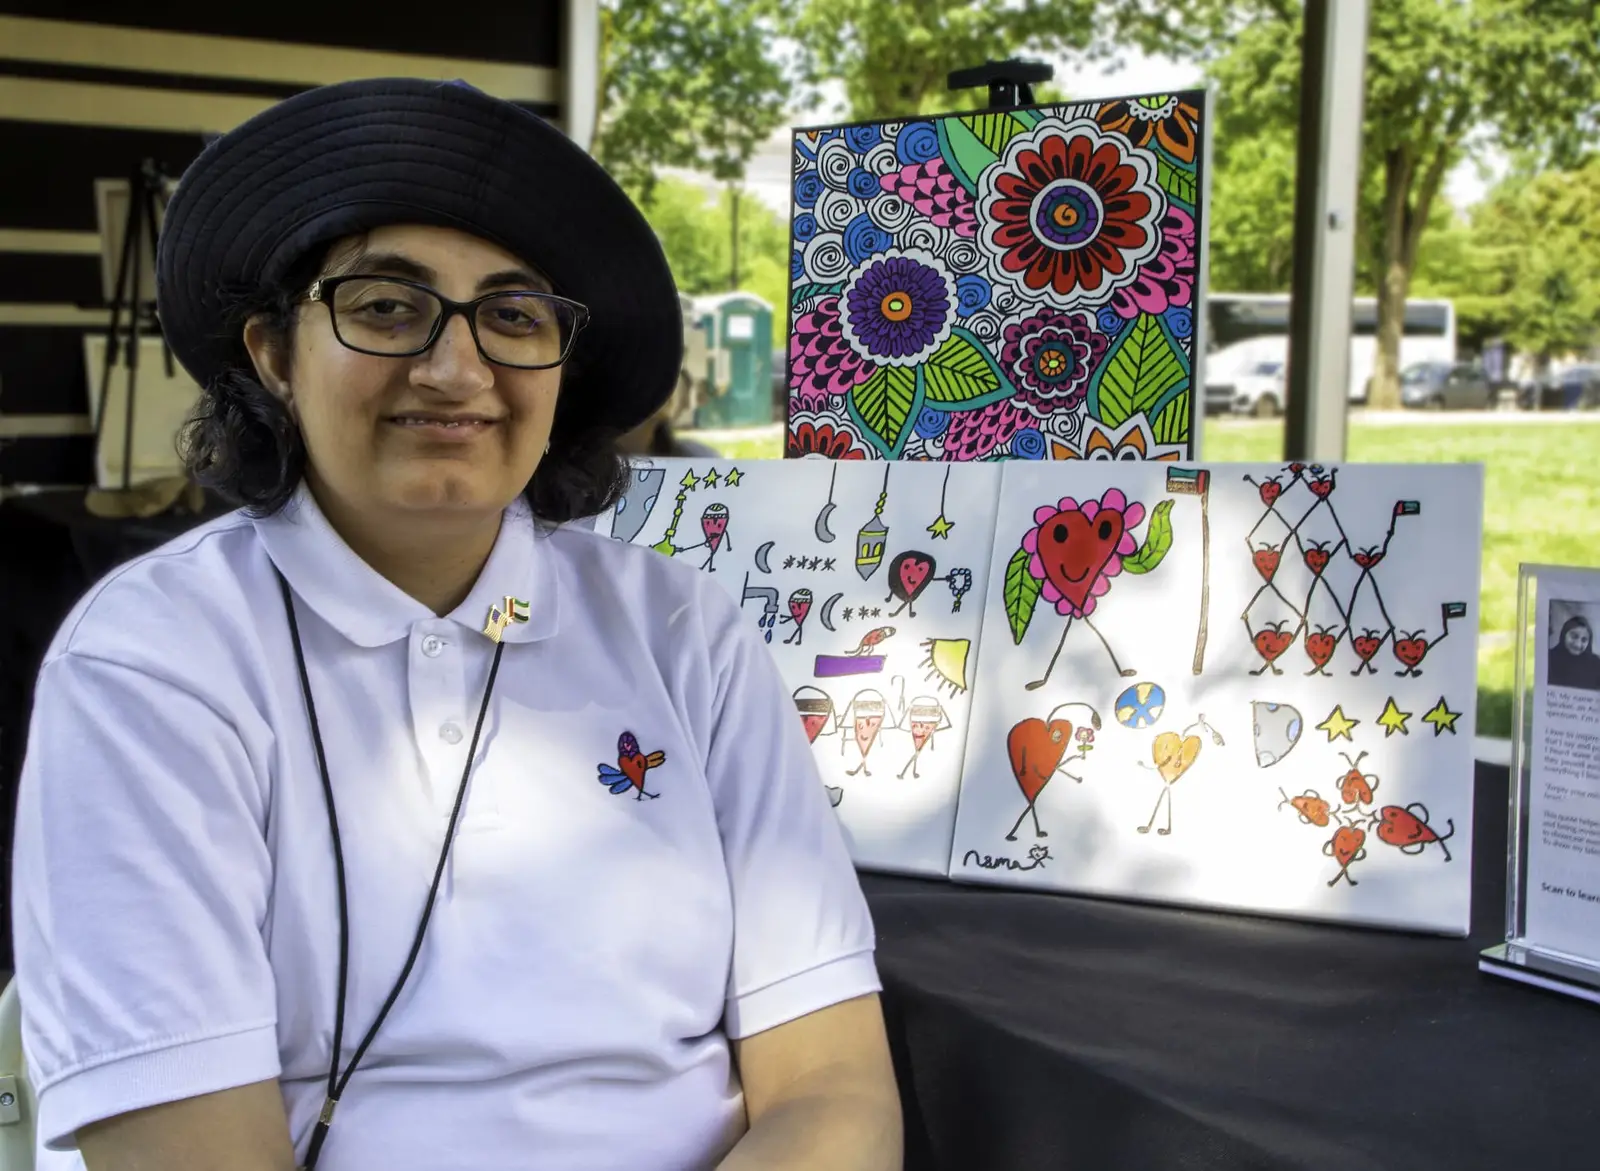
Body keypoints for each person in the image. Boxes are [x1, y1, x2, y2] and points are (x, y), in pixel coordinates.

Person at [10, 78, 900, 1171]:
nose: (455, 367)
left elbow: (833, 1089)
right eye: (387, 305)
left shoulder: (683, 631)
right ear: (274, 355)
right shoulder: (155, 660)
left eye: (514, 316)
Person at [1549, 613, 1600, 691]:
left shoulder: (1596, 664)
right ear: (1564, 634)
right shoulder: (1549, 658)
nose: (1578, 644)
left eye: (1584, 640)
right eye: (1574, 636)